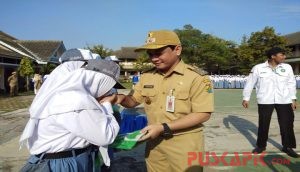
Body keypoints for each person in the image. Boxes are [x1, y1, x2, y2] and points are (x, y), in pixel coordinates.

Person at [112, 30, 214, 172]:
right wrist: (120, 98)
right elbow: (133, 101)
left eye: (159, 53)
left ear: (177, 50)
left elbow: (203, 113)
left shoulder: (196, 77)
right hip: (154, 143)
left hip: (184, 143)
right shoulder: (147, 76)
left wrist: (164, 127)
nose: (154, 58)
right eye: (150, 54)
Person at [20, 58, 121, 171]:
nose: (108, 91)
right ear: (100, 82)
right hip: (65, 163)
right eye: (108, 87)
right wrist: (107, 103)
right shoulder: (77, 100)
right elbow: (106, 136)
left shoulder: (64, 94)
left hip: (56, 159)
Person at [242, 47, 299, 158]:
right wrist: (246, 97)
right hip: (265, 100)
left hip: (284, 100)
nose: (284, 57)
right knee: (264, 124)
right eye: (281, 54)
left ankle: (288, 147)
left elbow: (291, 83)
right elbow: (250, 83)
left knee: (287, 124)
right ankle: (261, 145)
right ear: (273, 56)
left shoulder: (287, 67)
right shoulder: (258, 68)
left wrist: (293, 98)